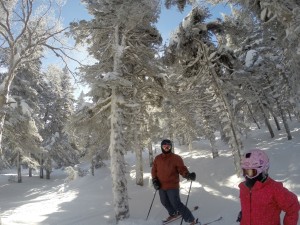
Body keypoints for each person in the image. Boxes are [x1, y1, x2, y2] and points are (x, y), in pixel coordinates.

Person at [237, 149, 300, 225]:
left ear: (263, 170)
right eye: (244, 171)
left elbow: (293, 205)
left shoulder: (274, 189)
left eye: (251, 172)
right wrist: (244, 213)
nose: (246, 176)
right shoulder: (244, 188)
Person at [151, 139, 197, 225]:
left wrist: (187, 175)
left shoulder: (176, 158)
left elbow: (182, 169)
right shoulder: (157, 158)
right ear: (161, 147)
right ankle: (173, 213)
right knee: (164, 202)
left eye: (168, 146)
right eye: (164, 146)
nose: (166, 148)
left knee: (176, 203)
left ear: (171, 147)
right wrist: (154, 180)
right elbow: (154, 170)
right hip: (161, 185)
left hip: (172, 185)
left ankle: (191, 220)